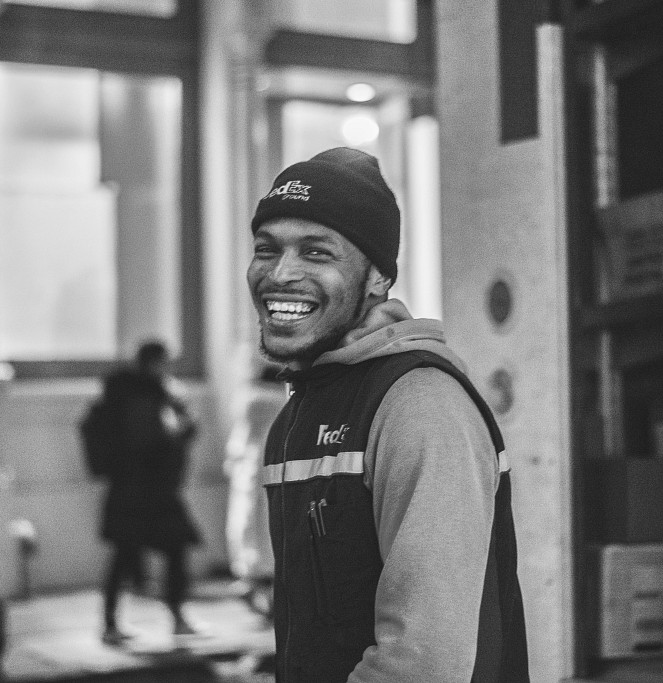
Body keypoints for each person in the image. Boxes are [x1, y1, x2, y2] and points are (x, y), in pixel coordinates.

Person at [247, 147, 529, 682]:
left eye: (316, 253)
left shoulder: (418, 404)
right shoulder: (299, 415)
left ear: (377, 279)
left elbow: (423, 663)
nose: (280, 274)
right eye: (267, 249)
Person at [91, 340, 200, 644]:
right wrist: (182, 426)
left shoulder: (126, 395)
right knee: (172, 550)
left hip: (128, 491)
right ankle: (175, 619)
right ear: (154, 363)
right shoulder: (149, 397)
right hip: (150, 492)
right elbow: (162, 439)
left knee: (124, 555)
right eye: (164, 363)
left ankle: (111, 625)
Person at [223, 366, 288, 619]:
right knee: (267, 536)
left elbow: (236, 446)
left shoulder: (246, 402)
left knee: (247, 529)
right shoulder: (279, 403)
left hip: (246, 475)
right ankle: (267, 598)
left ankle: (250, 582)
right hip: (271, 473)